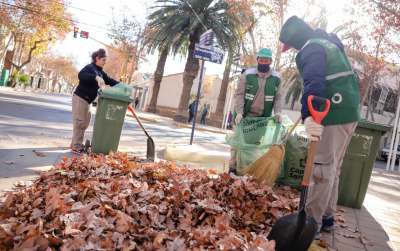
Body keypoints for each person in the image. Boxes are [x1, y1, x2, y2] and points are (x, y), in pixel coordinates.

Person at [279, 16, 360, 239]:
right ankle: (327, 218)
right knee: (333, 169)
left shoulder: (311, 47)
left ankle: (309, 225)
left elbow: (314, 82)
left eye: (291, 45)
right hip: (348, 112)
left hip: (333, 112)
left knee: (321, 170)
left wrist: (308, 117)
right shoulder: (328, 42)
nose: (293, 49)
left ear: (295, 40)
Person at [228, 48, 283, 174]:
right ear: (257, 60)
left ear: (270, 61)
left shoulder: (276, 77)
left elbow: (278, 97)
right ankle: (232, 167)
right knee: (237, 141)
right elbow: (240, 94)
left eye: (266, 61)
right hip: (244, 115)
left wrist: (278, 112)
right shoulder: (248, 74)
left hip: (262, 118)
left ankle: (247, 168)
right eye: (261, 60)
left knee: (255, 144)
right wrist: (240, 113)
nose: (263, 63)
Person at [71, 48, 119, 155]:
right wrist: (95, 77)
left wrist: (121, 85)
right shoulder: (90, 68)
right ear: (97, 58)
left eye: (106, 60)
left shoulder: (101, 72)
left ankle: (74, 142)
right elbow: (81, 75)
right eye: (103, 60)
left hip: (88, 101)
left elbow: (110, 80)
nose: (105, 62)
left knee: (85, 123)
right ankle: (76, 147)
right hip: (81, 97)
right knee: (80, 122)